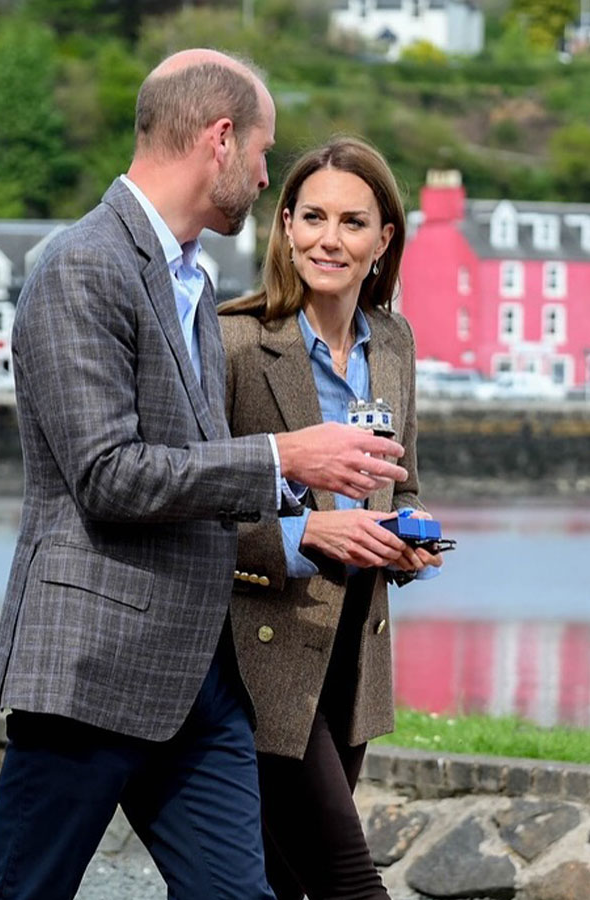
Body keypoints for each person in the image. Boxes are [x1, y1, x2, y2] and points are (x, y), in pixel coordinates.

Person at [0, 55, 411, 900]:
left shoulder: (192, 280)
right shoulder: (82, 265)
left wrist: (329, 509)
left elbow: (197, 465)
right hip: (92, 668)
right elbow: (108, 475)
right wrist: (287, 459)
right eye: (262, 153)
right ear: (220, 140)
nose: (264, 173)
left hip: (202, 675)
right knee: (24, 892)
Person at [219, 136, 443, 900]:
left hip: (354, 658)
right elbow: (188, 508)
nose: (328, 238)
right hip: (259, 659)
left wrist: (408, 535)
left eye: (352, 222)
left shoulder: (396, 345)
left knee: (285, 883)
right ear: (284, 226)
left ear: (384, 240)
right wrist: (304, 535)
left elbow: (401, 483)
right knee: (351, 884)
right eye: (311, 216)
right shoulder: (234, 343)